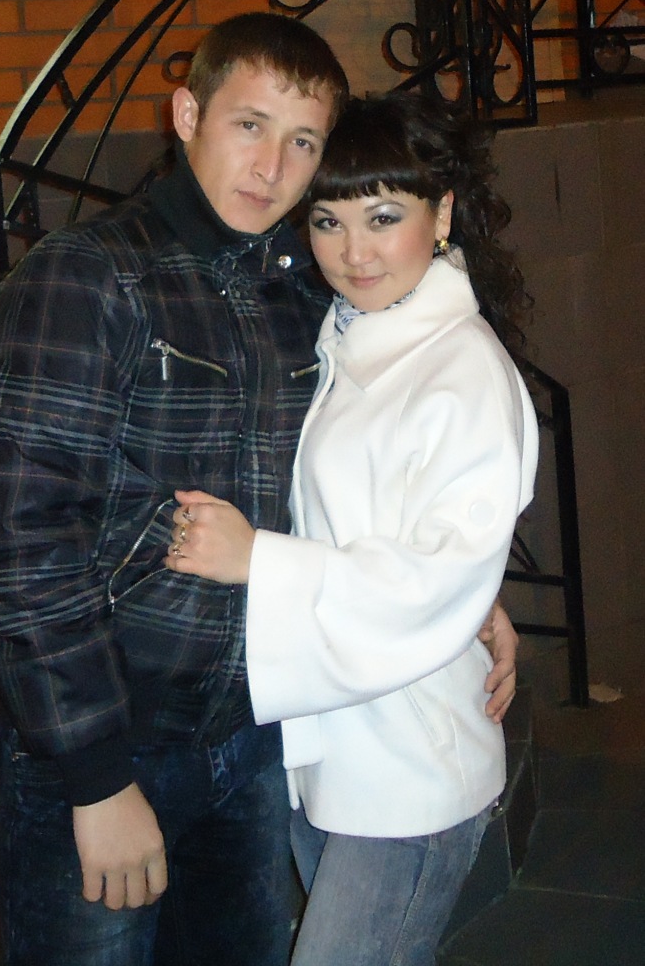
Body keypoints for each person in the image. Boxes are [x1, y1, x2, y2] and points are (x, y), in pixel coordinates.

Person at [0, 12, 518, 966]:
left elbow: (347, 478)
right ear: (187, 116)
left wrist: (463, 591)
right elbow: (12, 548)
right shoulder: (87, 280)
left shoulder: (310, 291)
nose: (271, 167)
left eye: (303, 142)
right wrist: (97, 779)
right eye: (248, 125)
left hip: (255, 744)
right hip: (112, 746)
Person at [165, 91, 539, 966]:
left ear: (441, 215)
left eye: (383, 218)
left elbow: (432, 577)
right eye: (329, 222)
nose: (354, 252)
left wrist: (258, 561)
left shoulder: (461, 370)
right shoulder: (352, 330)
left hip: (409, 767)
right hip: (334, 745)